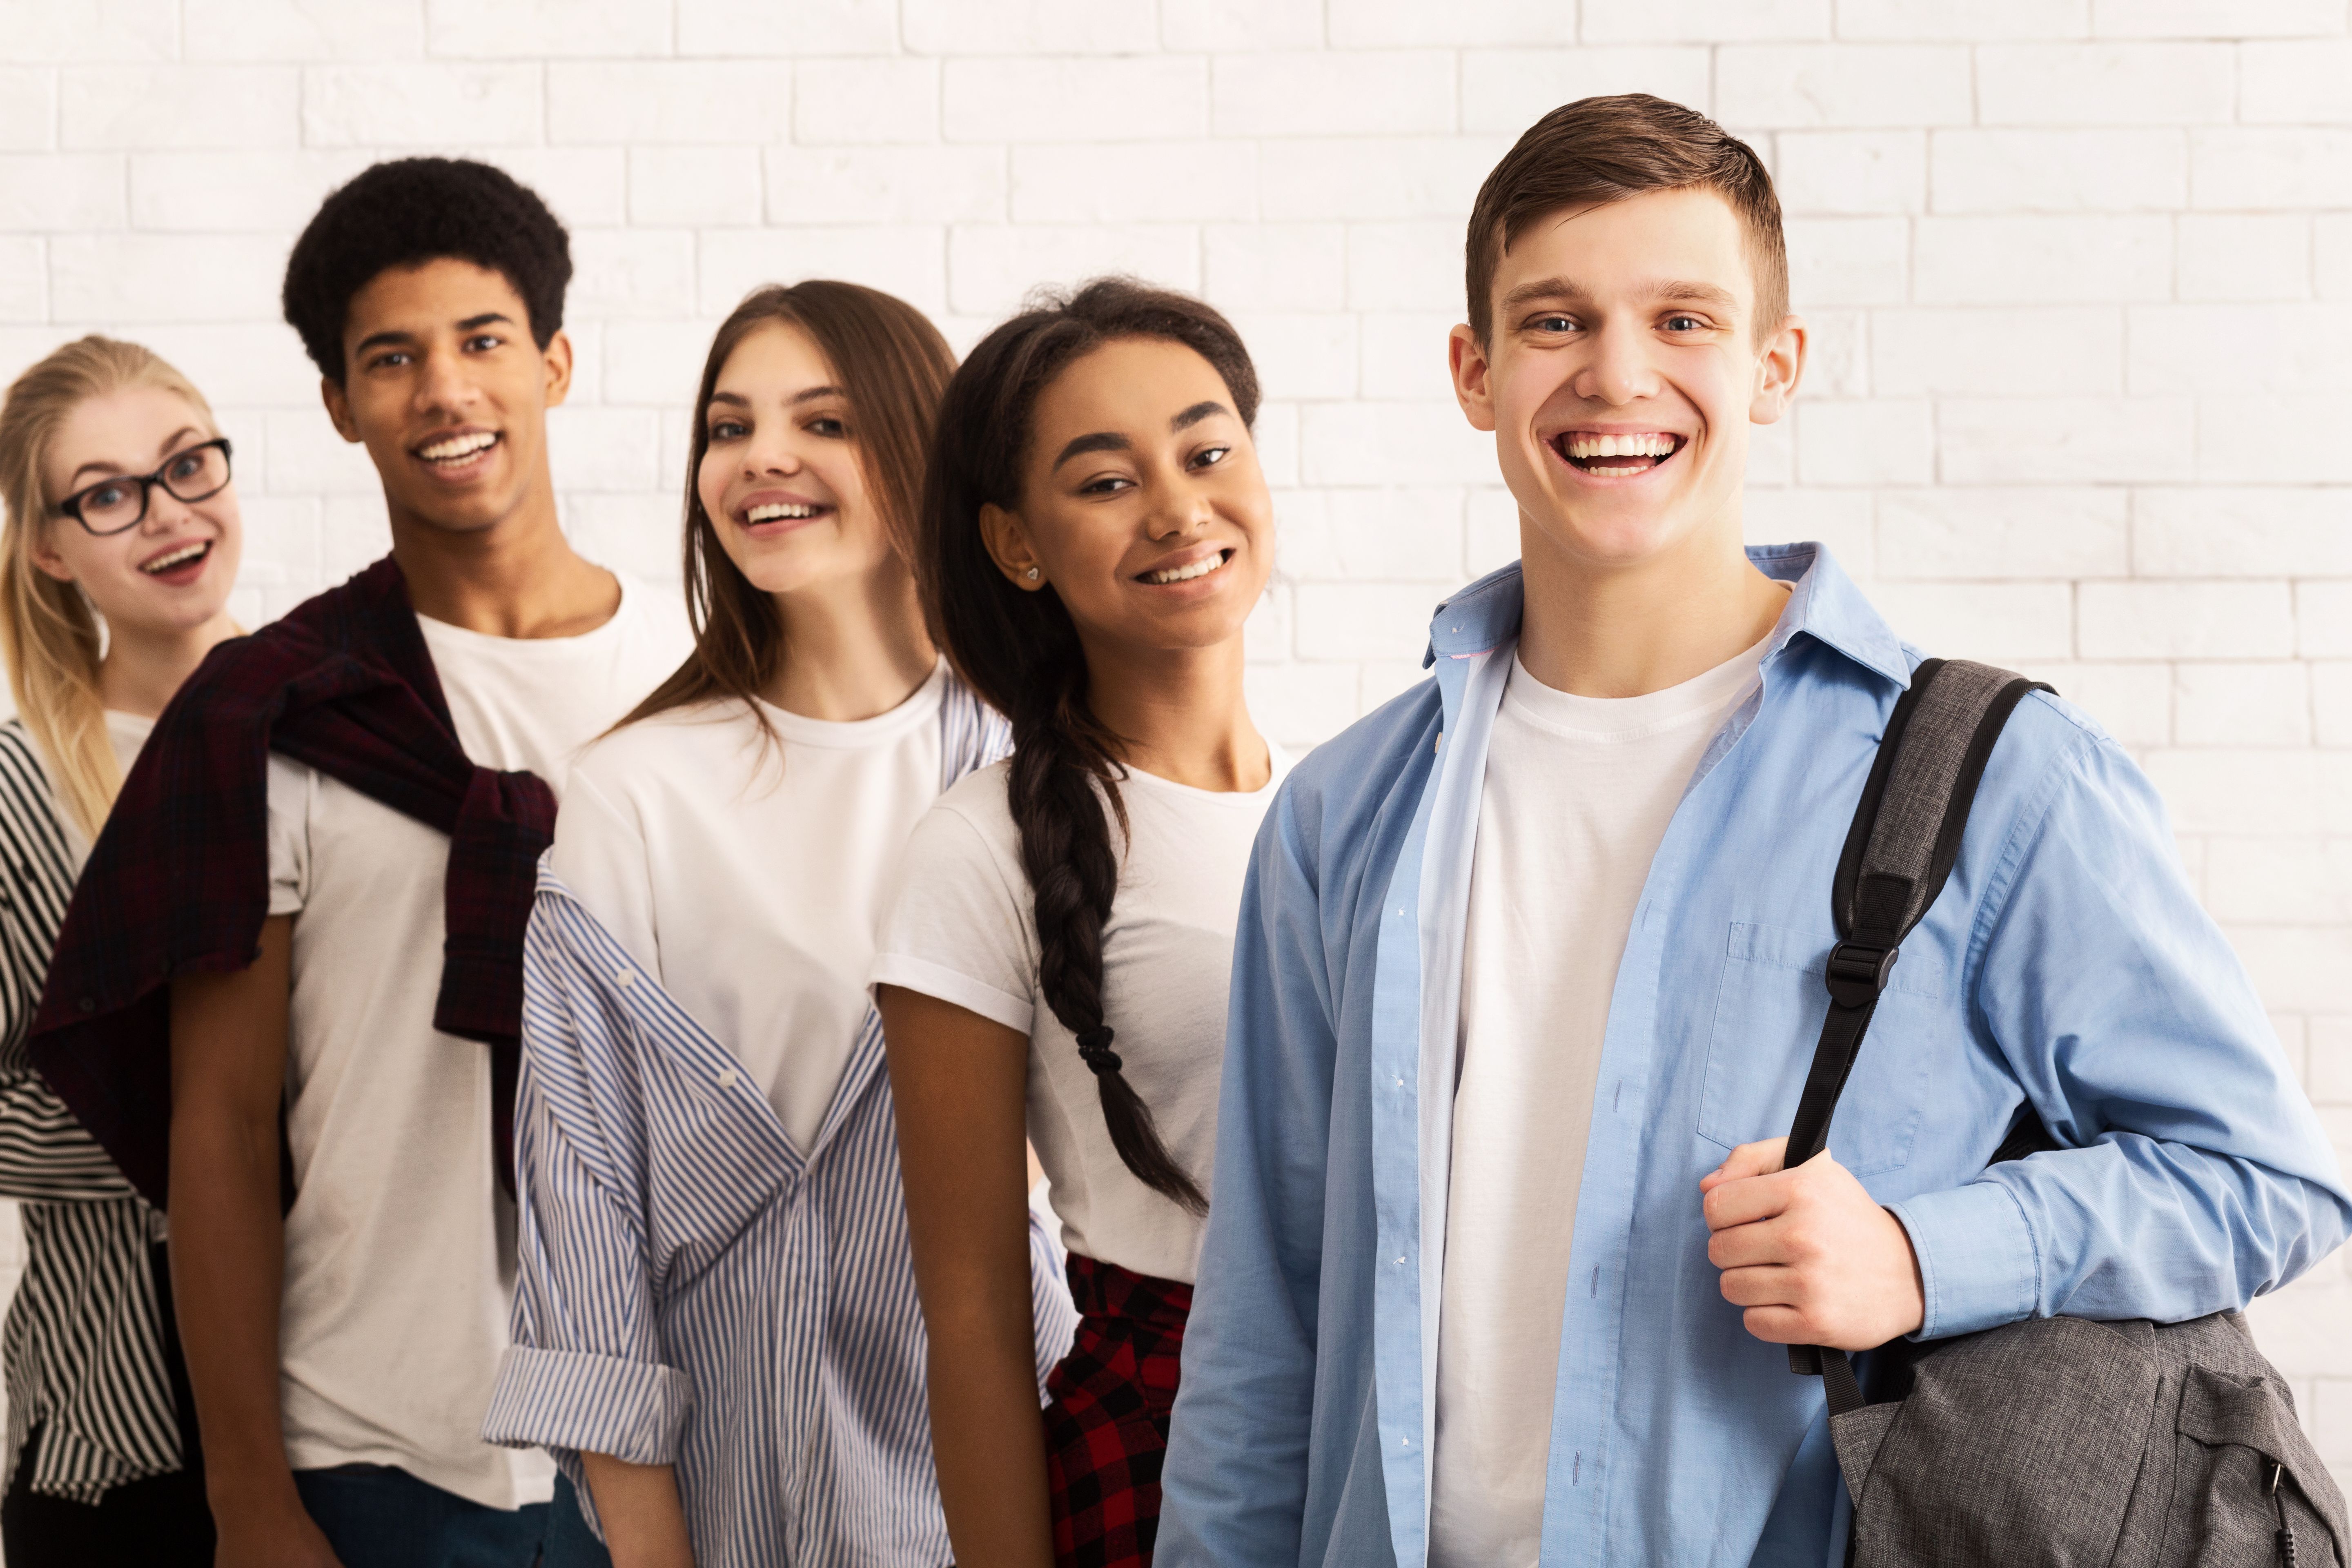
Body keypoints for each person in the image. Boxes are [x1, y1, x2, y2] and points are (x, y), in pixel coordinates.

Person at [1156, 94, 2352, 1568]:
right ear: (1473, 373)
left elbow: (2265, 1180)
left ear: (1774, 367)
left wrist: (1923, 1258)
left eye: (1684, 320)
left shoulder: (1994, 779)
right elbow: (1267, 1321)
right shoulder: (1347, 814)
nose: (1618, 375)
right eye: (1554, 322)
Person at [27, 158, 690, 1568]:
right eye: (393, 359)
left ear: (556, 365)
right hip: (377, 1454)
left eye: (483, 342)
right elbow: (215, 1130)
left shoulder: (695, 684)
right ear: (339, 404)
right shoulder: (278, 707)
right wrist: (251, 1499)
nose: (445, 391)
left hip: (670, 1436)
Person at [481, 280, 1076, 1568]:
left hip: (998, 1507)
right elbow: (588, 1229)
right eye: (727, 426)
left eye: (823, 420)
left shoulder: (1038, 784)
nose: (763, 460)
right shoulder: (633, 793)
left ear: (919, 447)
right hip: (703, 1515)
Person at [873, 278, 1283, 1568]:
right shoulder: (976, 850)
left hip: (1413, 1425)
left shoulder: (1364, 797)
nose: (1178, 508)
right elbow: (977, 1318)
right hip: (1161, 1447)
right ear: (1017, 544)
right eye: (1106, 482)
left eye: (1208, 451)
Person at [0, 335, 243, 1564]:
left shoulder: (339, 733)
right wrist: (210, 1138)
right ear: (49, 548)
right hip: (122, 1428)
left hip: (362, 1408)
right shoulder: (19, 788)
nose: (167, 516)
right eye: (108, 493)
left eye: (186, 465)